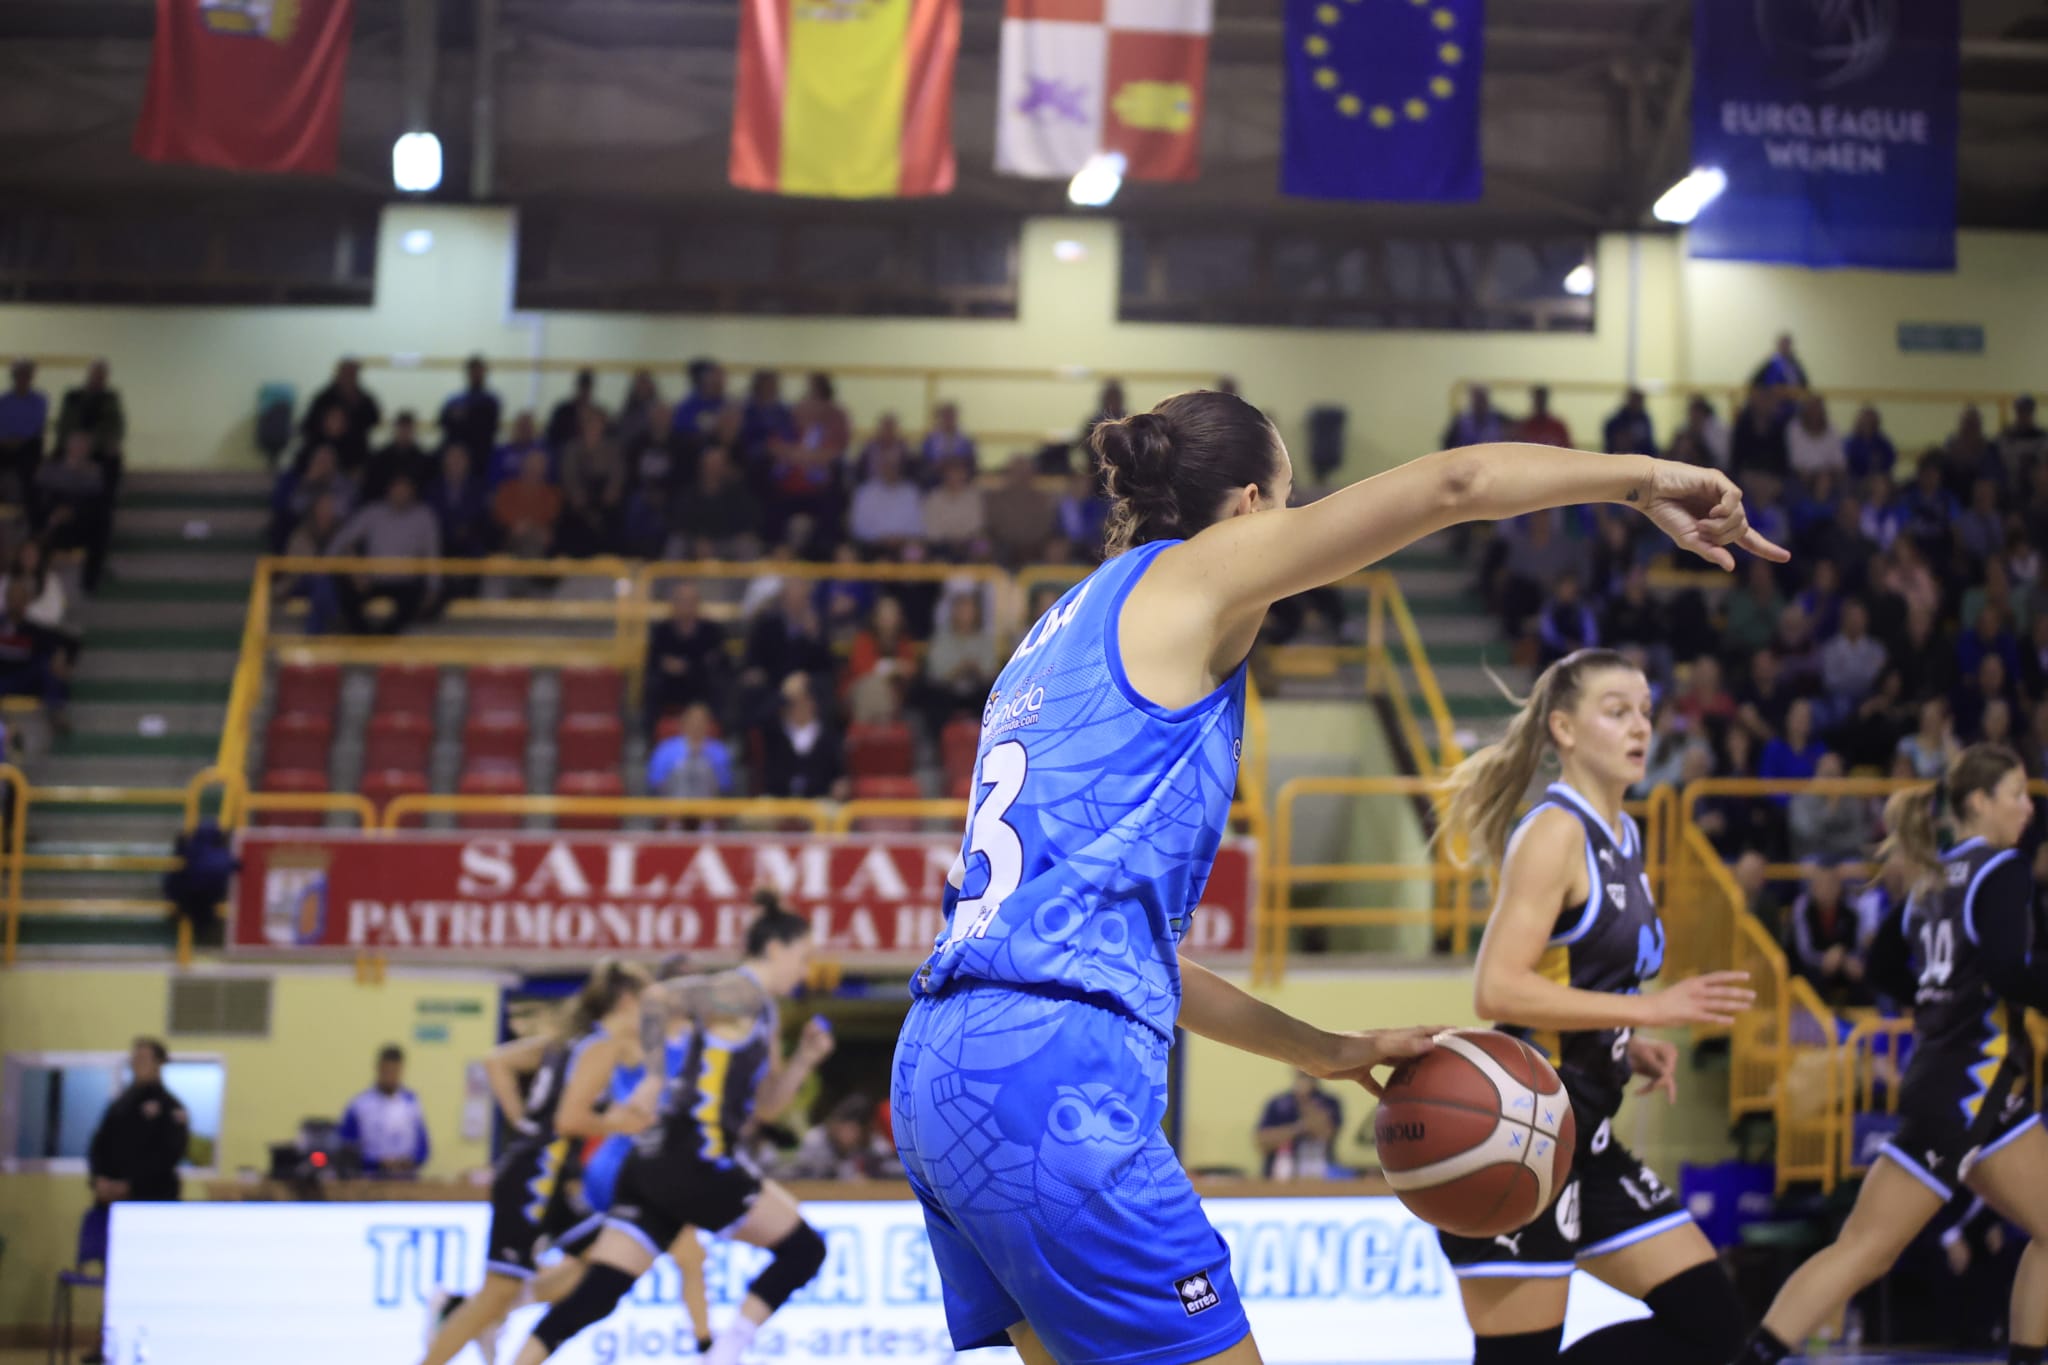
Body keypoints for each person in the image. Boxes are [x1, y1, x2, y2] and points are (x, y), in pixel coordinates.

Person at [890, 389, 1783, 1365]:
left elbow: (1134, 960)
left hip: (942, 1070)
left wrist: (1319, 1048)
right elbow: (1458, 481)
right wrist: (1643, 478)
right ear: (1245, 508)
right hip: (1056, 1073)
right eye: (1288, 508)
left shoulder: (1052, 636)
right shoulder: (1199, 575)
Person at [1434, 649, 1756, 1364]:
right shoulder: (1554, 833)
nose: (1641, 725)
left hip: (1587, 1131)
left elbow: (1580, 977)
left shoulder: (1625, 834)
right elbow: (1499, 988)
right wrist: (1651, 1010)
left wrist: (1621, 1037)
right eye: (1617, 711)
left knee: (1713, 1327)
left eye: (1645, 709)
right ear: (1565, 729)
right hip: (1521, 1131)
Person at [1733, 745, 2048, 1365]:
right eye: (2015, 793)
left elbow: (1881, 962)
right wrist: (1962, 1000)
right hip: (1968, 1081)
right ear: (1979, 803)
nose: (2028, 805)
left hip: (1962, 1076)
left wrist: (1937, 1000)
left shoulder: (1935, 874)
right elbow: (2012, 971)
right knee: (1865, 1250)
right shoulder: (2002, 869)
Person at [511, 893, 837, 1365]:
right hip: (695, 1156)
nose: (806, 971)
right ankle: (723, 1355)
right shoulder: (742, 991)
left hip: (652, 1162)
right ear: (775, 948)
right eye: (803, 957)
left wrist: (805, 1060)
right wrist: (654, 1077)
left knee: (599, 1290)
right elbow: (657, 999)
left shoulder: (762, 1010)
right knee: (805, 1250)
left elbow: (766, 1108)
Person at [420, 961, 652, 1365]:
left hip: (547, 1169)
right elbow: (568, 1120)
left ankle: (485, 1314)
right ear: (628, 1001)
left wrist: (524, 1124)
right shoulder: (601, 1047)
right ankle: (462, 1314)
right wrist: (619, 1122)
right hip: (535, 1173)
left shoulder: (573, 1040)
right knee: (498, 1289)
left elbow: (497, 1062)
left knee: (600, 1259)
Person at [329, 474, 441, 633]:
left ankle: (384, 639)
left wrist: (433, 588)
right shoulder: (373, 512)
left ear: (412, 491)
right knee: (344, 593)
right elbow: (341, 541)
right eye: (397, 488)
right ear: (389, 490)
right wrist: (354, 568)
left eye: (405, 489)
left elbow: (432, 554)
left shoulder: (424, 516)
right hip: (372, 580)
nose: (401, 493)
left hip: (406, 583)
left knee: (415, 598)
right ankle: (364, 638)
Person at [87, 1038, 188, 1206]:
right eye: (134, 1059)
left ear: (158, 1063)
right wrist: (99, 1179)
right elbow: (100, 1143)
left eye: (143, 1059)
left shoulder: (171, 1107)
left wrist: (131, 1185)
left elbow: (169, 1154)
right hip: (111, 1200)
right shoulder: (120, 1104)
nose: (137, 1064)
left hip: (152, 1199)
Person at [644, 582, 730, 729]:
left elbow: (719, 660)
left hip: (701, 682)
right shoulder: (661, 630)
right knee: (653, 686)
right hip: (671, 684)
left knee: (720, 685)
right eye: (682, 601)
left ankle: (725, 734)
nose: (686, 605)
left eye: (691, 601)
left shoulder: (712, 630)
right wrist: (669, 665)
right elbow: (654, 661)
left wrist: (687, 666)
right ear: (674, 604)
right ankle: (648, 737)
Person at [337, 1044, 429, 1176]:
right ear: (378, 1068)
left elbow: (423, 1146)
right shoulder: (360, 1105)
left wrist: (411, 1161)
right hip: (370, 1179)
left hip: (405, 1178)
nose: (391, 1076)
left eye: (395, 1071)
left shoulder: (411, 1103)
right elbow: (346, 1148)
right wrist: (377, 1163)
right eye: (387, 1071)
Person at [782, 1094, 904, 1180]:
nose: (850, 1135)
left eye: (856, 1130)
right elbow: (803, 1174)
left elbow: (888, 1164)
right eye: (847, 1127)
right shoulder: (815, 1139)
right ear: (836, 1123)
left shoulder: (870, 1142)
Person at [1254, 1071, 1344, 1179]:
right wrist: (1300, 1128)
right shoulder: (1277, 1103)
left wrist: (1305, 1100)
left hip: (1319, 1172)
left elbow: (1326, 1134)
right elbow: (1262, 1141)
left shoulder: (1329, 1102)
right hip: (1279, 1173)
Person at [648, 702, 735, 800]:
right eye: (692, 721)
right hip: (673, 809)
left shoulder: (719, 751)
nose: (696, 725)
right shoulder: (664, 750)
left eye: (701, 721)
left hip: (709, 810)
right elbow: (656, 785)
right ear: (683, 723)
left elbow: (725, 788)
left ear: (708, 725)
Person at [439, 355, 503, 464]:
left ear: (484, 373)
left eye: (479, 371)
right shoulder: (454, 400)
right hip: (458, 453)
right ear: (468, 374)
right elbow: (443, 423)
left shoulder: (491, 401)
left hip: (482, 455)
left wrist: (463, 417)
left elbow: (488, 427)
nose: (476, 375)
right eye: (473, 371)